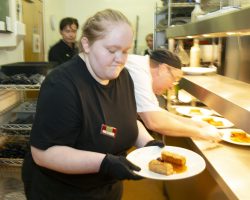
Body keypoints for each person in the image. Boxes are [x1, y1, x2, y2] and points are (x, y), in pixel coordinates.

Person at [22, 9, 164, 200]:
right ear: (87, 44)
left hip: (107, 189)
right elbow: (44, 153)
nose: (120, 59)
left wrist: (147, 143)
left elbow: (127, 120)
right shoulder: (62, 84)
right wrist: (104, 162)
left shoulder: (123, 77)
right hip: (64, 192)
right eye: (112, 50)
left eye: (125, 51)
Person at [125, 49, 221, 141]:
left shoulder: (142, 67)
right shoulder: (139, 73)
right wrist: (201, 133)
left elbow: (157, 112)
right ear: (163, 69)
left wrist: (198, 124)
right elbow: (154, 122)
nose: (171, 87)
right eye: (174, 79)